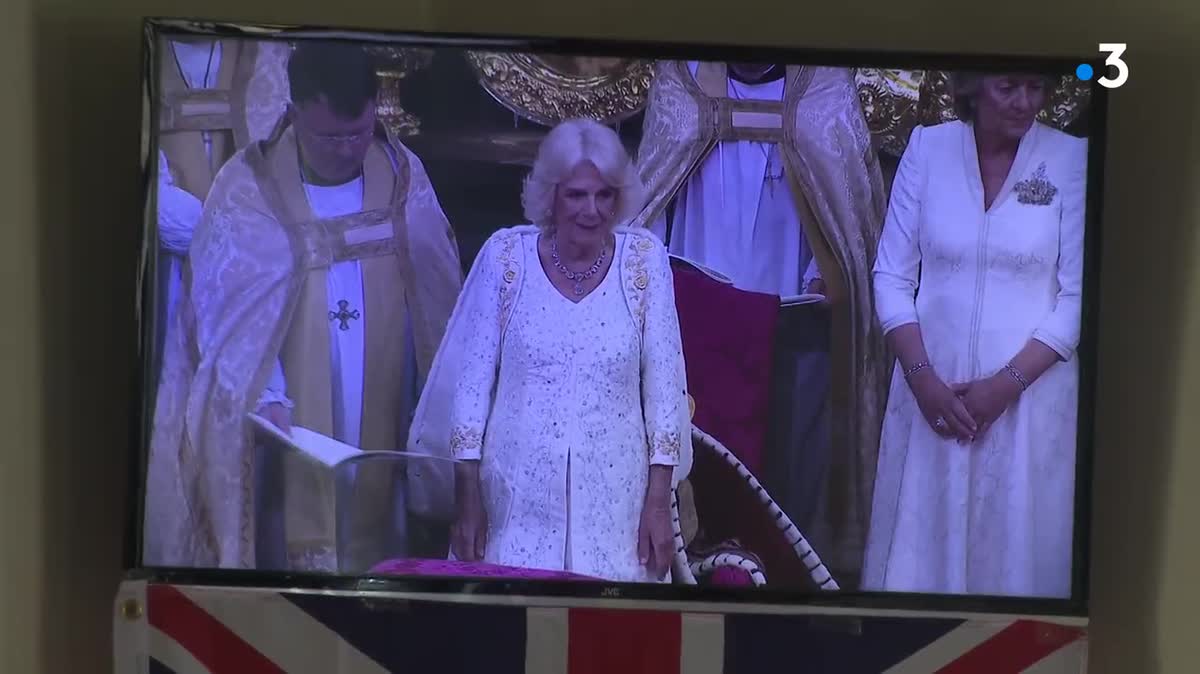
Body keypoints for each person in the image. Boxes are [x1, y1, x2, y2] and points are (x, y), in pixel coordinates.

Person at [143, 41, 463, 571]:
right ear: (293, 114)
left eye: (358, 132)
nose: (347, 149)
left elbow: (439, 299)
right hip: (286, 417)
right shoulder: (250, 185)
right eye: (330, 136)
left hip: (386, 396)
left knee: (380, 526)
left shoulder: (402, 175)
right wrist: (267, 393)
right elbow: (227, 313)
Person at [631, 61, 890, 576]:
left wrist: (825, 272)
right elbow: (651, 195)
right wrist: (650, 268)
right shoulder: (682, 82)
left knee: (782, 466)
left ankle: (783, 575)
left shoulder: (823, 89)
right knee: (697, 463)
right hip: (692, 318)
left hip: (791, 322)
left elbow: (847, 204)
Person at [406, 118, 694, 582]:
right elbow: (472, 383)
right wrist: (467, 496)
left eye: (604, 195)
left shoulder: (645, 261)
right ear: (550, 196)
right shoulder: (506, 259)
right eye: (576, 194)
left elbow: (665, 389)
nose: (592, 210)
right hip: (514, 500)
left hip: (616, 506)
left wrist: (658, 502)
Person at [862, 72, 1087, 598]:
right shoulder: (928, 147)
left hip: (1027, 404)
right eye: (1009, 87)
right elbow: (892, 275)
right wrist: (922, 380)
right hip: (931, 399)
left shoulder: (1073, 159)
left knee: (1012, 567)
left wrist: (1003, 387)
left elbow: (1079, 297)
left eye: (1036, 88)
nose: (1025, 102)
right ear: (972, 87)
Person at [153, 36, 289, 383]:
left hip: (252, 260)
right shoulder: (143, 48)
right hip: (167, 265)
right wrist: (214, 237)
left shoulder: (261, 51)